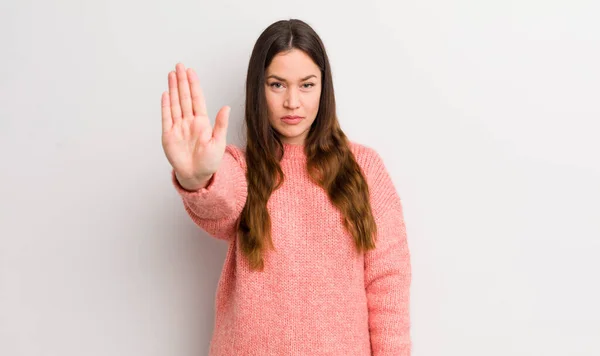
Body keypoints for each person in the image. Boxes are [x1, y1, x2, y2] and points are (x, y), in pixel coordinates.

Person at [160, 18, 411, 356]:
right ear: (258, 89)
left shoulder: (364, 168)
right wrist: (197, 179)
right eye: (277, 85)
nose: (292, 102)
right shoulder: (240, 168)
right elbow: (219, 205)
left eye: (306, 85)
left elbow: (388, 284)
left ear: (324, 87)